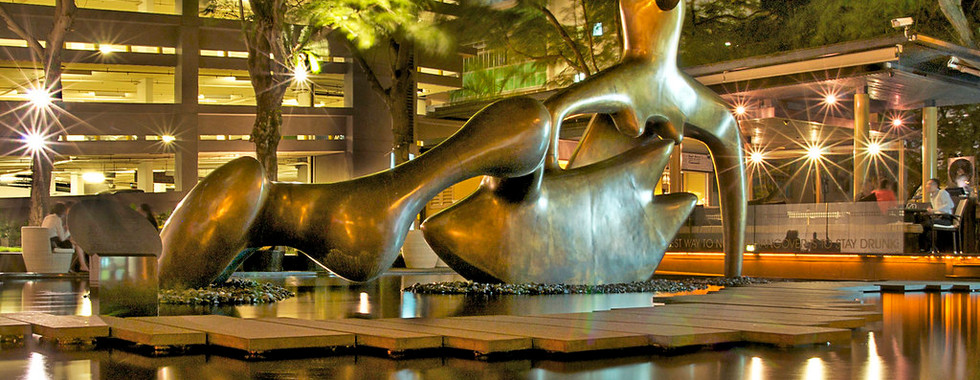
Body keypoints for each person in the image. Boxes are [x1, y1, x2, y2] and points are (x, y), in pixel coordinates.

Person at [42, 203, 89, 272]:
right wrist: (69, 230)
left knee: (74, 243)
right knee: (78, 244)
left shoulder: (47, 218)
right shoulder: (57, 219)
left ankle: (77, 266)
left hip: (48, 243)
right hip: (55, 244)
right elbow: (62, 238)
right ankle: (82, 265)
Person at [917, 178, 956, 252]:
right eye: (927, 184)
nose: (927, 186)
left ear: (936, 185)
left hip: (946, 219)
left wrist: (934, 210)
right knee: (922, 222)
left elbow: (950, 205)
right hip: (938, 218)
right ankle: (927, 247)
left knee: (926, 224)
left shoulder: (942, 193)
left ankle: (926, 247)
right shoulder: (932, 196)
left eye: (929, 184)